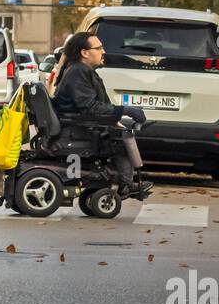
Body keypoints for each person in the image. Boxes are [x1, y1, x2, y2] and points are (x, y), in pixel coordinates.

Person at [51, 31, 149, 199]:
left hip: (82, 124)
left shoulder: (82, 71)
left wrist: (117, 117)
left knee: (124, 132)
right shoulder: (78, 72)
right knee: (121, 141)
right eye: (99, 48)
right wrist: (125, 110)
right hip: (77, 130)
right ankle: (126, 185)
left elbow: (96, 106)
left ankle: (125, 183)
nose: (103, 52)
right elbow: (89, 107)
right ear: (84, 52)